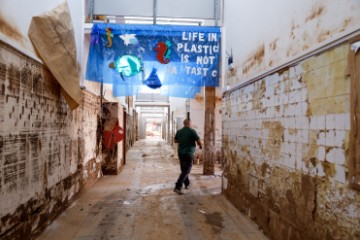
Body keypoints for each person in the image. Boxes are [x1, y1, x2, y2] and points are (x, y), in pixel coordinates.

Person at [173, 119, 202, 195]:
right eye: (191, 123)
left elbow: (175, 141)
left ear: (184, 124)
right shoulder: (192, 131)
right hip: (188, 153)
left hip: (181, 153)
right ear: (189, 124)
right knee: (186, 170)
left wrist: (182, 140)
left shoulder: (179, 131)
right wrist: (201, 146)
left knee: (184, 170)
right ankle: (178, 186)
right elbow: (198, 141)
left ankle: (187, 184)